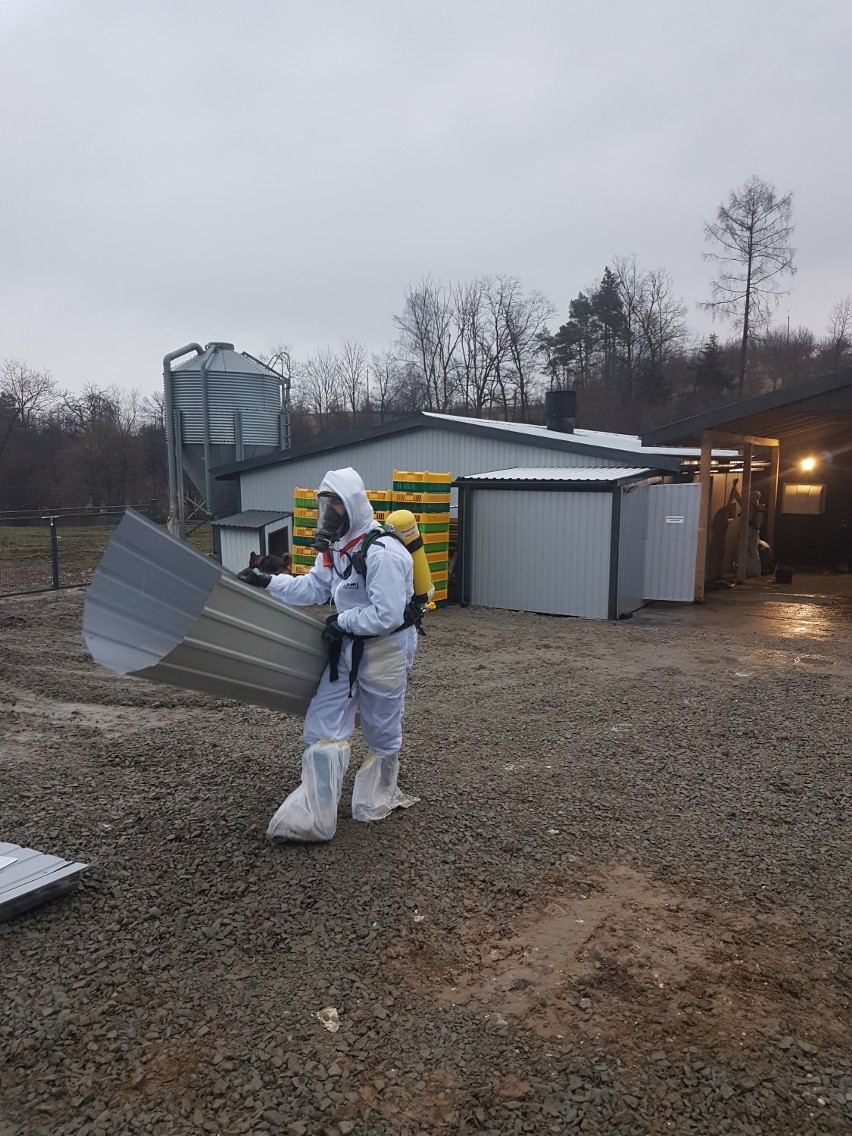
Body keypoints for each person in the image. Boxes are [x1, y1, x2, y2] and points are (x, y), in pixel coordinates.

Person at [239, 467, 419, 842]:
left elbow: (387, 615)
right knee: (323, 719)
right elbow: (313, 588)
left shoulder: (383, 552)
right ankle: (315, 815)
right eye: (325, 505)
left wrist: (345, 620)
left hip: (384, 650)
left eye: (335, 505)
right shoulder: (337, 550)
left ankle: (379, 793)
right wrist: (268, 580)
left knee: (381, 726)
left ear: (351, 506)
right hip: (349, 645)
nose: (329, 513)